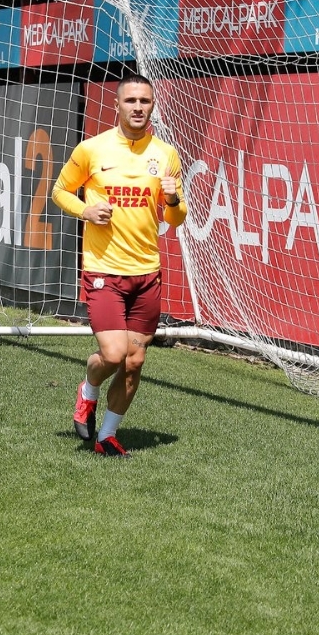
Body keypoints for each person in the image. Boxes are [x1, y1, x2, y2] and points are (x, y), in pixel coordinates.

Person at [51, 74, 187, 458]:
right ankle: (87, 392)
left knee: (135, 361)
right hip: (103, 270)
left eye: (145, 100)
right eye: (131, 100)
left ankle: (107, 435)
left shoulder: (166, 155)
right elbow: (59, 191)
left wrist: (174, 201)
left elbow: (176, 220)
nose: (138, 107)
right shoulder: (91, 150)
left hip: (147, 272)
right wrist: (86, 209)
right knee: (112, 354)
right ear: (117, 105)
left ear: (153, 105)